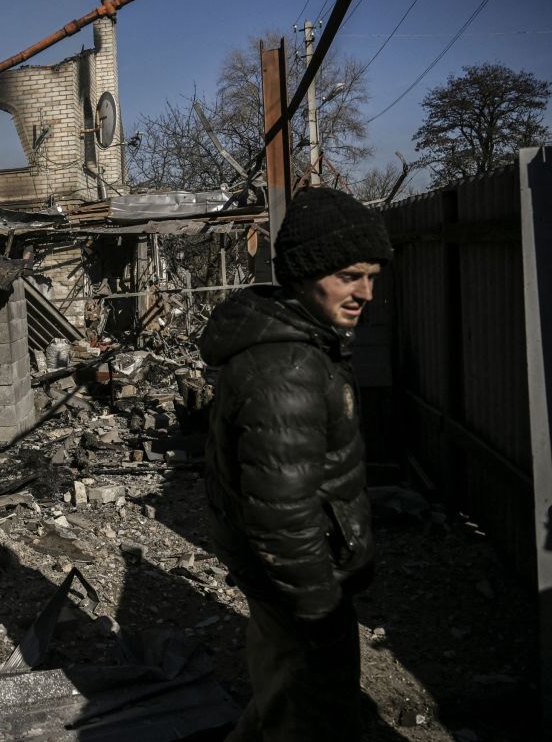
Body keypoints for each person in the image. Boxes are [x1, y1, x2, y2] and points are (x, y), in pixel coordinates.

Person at [199, 187, 393, 741]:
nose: (366, 292)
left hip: (293, 581)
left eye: (372, 276)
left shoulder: (302, 342)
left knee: (285, 690)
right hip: (302, 586)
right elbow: (281, 516)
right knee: (310, 712)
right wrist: (319, 609)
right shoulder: (288, 369)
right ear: (308, 272)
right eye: (351, 276)